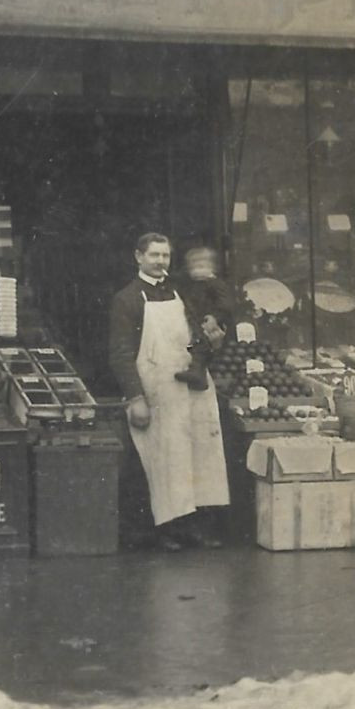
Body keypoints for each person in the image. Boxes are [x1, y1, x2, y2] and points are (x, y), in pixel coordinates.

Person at [108, 232, 229, 550]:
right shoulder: (127, 299)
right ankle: (158, 532)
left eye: (165, 256)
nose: (161, 261)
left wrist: (213, 339)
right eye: (154, 255)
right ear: (138, 257)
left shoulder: (181, 292)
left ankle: (191, 528)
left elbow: (199, 333)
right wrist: (136, 397)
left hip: (190, 386)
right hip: (156, 392)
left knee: (195, 458)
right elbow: (120, 353)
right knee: (160, 461)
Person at [174, 246, 239, 392]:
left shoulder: (215, 284)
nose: (197, 270)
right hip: (196, 322)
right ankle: (197, 373)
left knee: (202, 347)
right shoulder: (191, 285)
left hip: (211, 322)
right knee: (195, 346)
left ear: (212, 268)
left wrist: (215, 317)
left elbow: (226, 304)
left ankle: (198, 374)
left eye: (202, 266)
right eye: (194, 266)